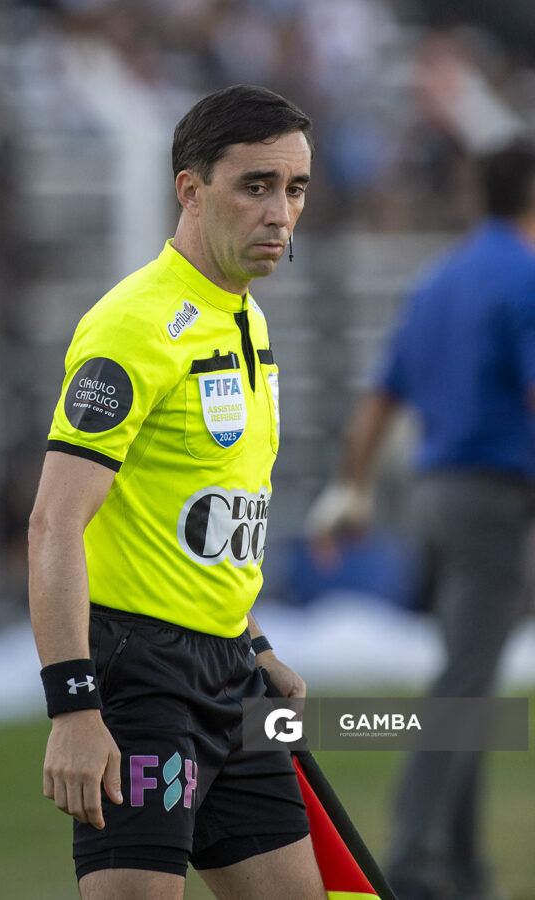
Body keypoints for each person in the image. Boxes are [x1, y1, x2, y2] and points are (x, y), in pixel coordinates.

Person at [28, 84, 326, 900]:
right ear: (191, 191)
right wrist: (74, 709)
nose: (280, 212)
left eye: (294, 188)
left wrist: (254, 643)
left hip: (229, 675)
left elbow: (194, 516)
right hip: (140, 681)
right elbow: (55, 523)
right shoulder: (131, 327)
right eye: (255, 185)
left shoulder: (246, 318)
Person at [306, 140, 535, 900]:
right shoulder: (526, 276)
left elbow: (380, 395)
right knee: (463, 689)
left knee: (468, 681)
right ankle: (413, 863)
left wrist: (351, 487)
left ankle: (463, 870)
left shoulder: (442, 278)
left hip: (434, 494)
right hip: (493, 500)